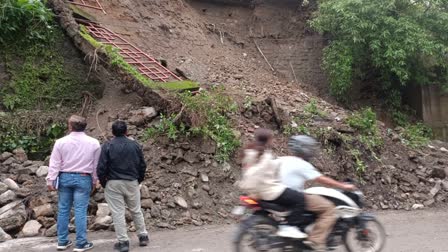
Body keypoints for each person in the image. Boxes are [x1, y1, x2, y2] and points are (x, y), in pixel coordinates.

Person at [279, 135, 356, 252]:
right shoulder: (302, 164)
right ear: (305, 149)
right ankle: (316, 241)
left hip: (279, 195)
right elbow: (322, 179)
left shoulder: (283, 159)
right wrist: (343, 185)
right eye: (310, 148)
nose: (312, 151)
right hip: (295, 197)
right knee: (329, 209)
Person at [239, 128, 307, 239]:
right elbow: (257, 173)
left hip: (255, 191)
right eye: (272, 138)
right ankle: (290, 227)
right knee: (301, 199)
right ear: (268, 139)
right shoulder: (265, 155)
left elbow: (248, 172)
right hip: (270, 191)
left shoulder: (249, 151)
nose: (274, 140)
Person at [46, 115, 100, 252]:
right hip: (83, 177)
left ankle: (62, 241)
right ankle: (81, 243)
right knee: (80, 210)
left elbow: (55, 163)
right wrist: (95, 180)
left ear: (70, 126)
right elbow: (96, 165)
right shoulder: (94, 143)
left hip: (64, 177)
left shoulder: (60, 142)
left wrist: (50, 179)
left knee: (63, 209)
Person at [97, 120, 149, 252]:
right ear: (126, 131)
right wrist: (139, 179)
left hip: (113, 183)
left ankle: (123, 242)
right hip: (131, 181)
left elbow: (101, 167)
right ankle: (143, 236)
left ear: (113, 133)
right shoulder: (134, 145)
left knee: (118, 212)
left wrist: (104, 183)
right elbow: (142, 165)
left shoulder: (107, 145)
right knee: (136, 209)